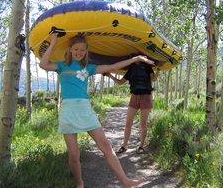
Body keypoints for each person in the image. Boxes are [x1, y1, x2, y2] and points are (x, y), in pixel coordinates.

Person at [39, 32, 155, 188]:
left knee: (106, 146)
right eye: (75, 49)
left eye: (82, 50)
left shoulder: (89, 68)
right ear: (70, 49)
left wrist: (135, 59)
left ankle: (125, 181)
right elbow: (43, 65)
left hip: (85, 110)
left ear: (86, 51)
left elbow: (113, 67)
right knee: (74, 155)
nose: (78, 52)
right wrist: (53, 41)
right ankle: (80, 183)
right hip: (68, 111)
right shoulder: (61, 65)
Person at [105, 62, 160, 154]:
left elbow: (153, 79)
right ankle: (124, 145)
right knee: (128, 123)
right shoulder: (131, 69)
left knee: (143, 124)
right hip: (134, 96)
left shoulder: (148, 67)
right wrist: (110, 75)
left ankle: (141, 146)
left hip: (146, 97)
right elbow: (121, 82)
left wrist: (158, 70)